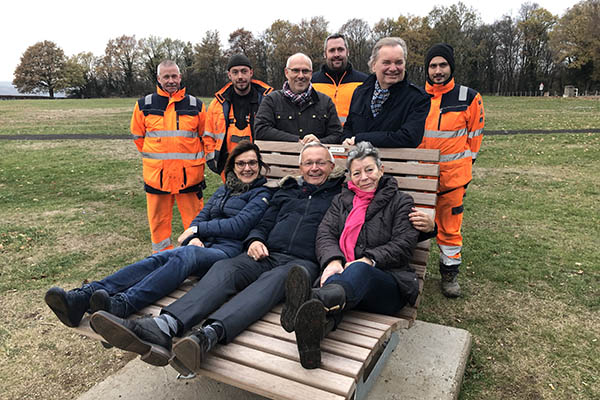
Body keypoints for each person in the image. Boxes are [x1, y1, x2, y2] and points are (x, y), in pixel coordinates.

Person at [89, 142, 345, 372]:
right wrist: (255, 239)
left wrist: (333, 260)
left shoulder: (341, 196)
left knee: (273, 281)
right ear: (300, 166)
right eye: (309, 163)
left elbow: (345, 231)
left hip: (302, 263)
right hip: (266, 252)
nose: (314, 168)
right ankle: (164, 326)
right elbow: (264, 223)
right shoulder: (286, 191)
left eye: (320, 163)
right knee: (225, 269)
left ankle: (208, 335)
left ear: (331, 165)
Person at [44, 142, 272, 328]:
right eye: (241, 163)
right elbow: (202, 216)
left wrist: (198, 231)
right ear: (232, 166)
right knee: (162, 256)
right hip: (202, 245)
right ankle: (84, 296)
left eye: (252, 163)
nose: (247, 168)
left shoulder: (262, 193)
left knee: (184, 256)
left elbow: (240, 226)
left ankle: (124, 304)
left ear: (260, 165)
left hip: (227, 252)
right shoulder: (225, 189)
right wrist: (194, 236)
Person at [280, 141, 424, 369]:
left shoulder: (400, 202)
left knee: (359, 270)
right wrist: (333, 260)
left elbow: (404, 244)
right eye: (357, 173)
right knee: (334, 293)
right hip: (344, 280)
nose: (364, 177)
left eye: (369, 170)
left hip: (387, 283)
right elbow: (325, 232)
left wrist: (368, 259)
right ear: (350, 176)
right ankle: (312, 339)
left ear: (381, 170)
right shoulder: (342, 200)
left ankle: (312, 298)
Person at [418, 43, 485, 297]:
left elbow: (474, 139)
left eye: (442, 65)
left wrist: (463, 169)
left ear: (451, 67)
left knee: (449, 229)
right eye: (433, 66)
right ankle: (413, 272)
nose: (437, 71)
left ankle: (449, 275)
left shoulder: (468, 97)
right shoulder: (417, 96)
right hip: (420, 178)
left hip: (453, 179)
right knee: (416, 224)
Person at [130, 60, 207, 253]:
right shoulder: (144, 105)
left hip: (189, 178)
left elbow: (206, 137)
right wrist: (158, 160)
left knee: (195, 224)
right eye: (166, 76)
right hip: (158, 178)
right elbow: (139, 138)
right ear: (158, 79)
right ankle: (162, 259)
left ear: (180, 77)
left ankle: (195, 258)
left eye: (174, 76)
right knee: (158, 225)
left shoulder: (196, 105)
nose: (171, 80)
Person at [342, 37, 430, 148]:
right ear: (374, 65)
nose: (393, 68)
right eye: (386, 63)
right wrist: (346, 140)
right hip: (359, 162)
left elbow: (409, 137)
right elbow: (349, 127)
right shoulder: (360, 92)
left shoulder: (418, 98)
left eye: (398, 62)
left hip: (396, 164)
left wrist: (360, 139)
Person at [204, 54, 273, 178]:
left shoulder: (267, 100)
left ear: (251, 73)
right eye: (235, 72)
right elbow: (208, 136)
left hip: (260, 166)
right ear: (229, 75)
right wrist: (214, 163)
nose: (240, 76)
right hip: (229, 168)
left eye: (244, 71)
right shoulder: (217, 104)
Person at [255, 53, 343, 144]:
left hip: (315, 157)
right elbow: (260, 130)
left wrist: (318, 142)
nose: (301, 76)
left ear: (311, 74)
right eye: (295, 70)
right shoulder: (272, 100)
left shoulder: (325, 102)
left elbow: (337, 134)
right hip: (280, 157)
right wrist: (296, 140)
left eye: (305, 71)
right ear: (286, 72)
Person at [312, 33, 368, 126]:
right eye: (332, 50)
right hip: (321, 138)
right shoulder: (312, 82)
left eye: (340, 49)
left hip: (352, 138)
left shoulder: (364, 81)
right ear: (325, 54)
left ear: (347, 52)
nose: (336, 54)